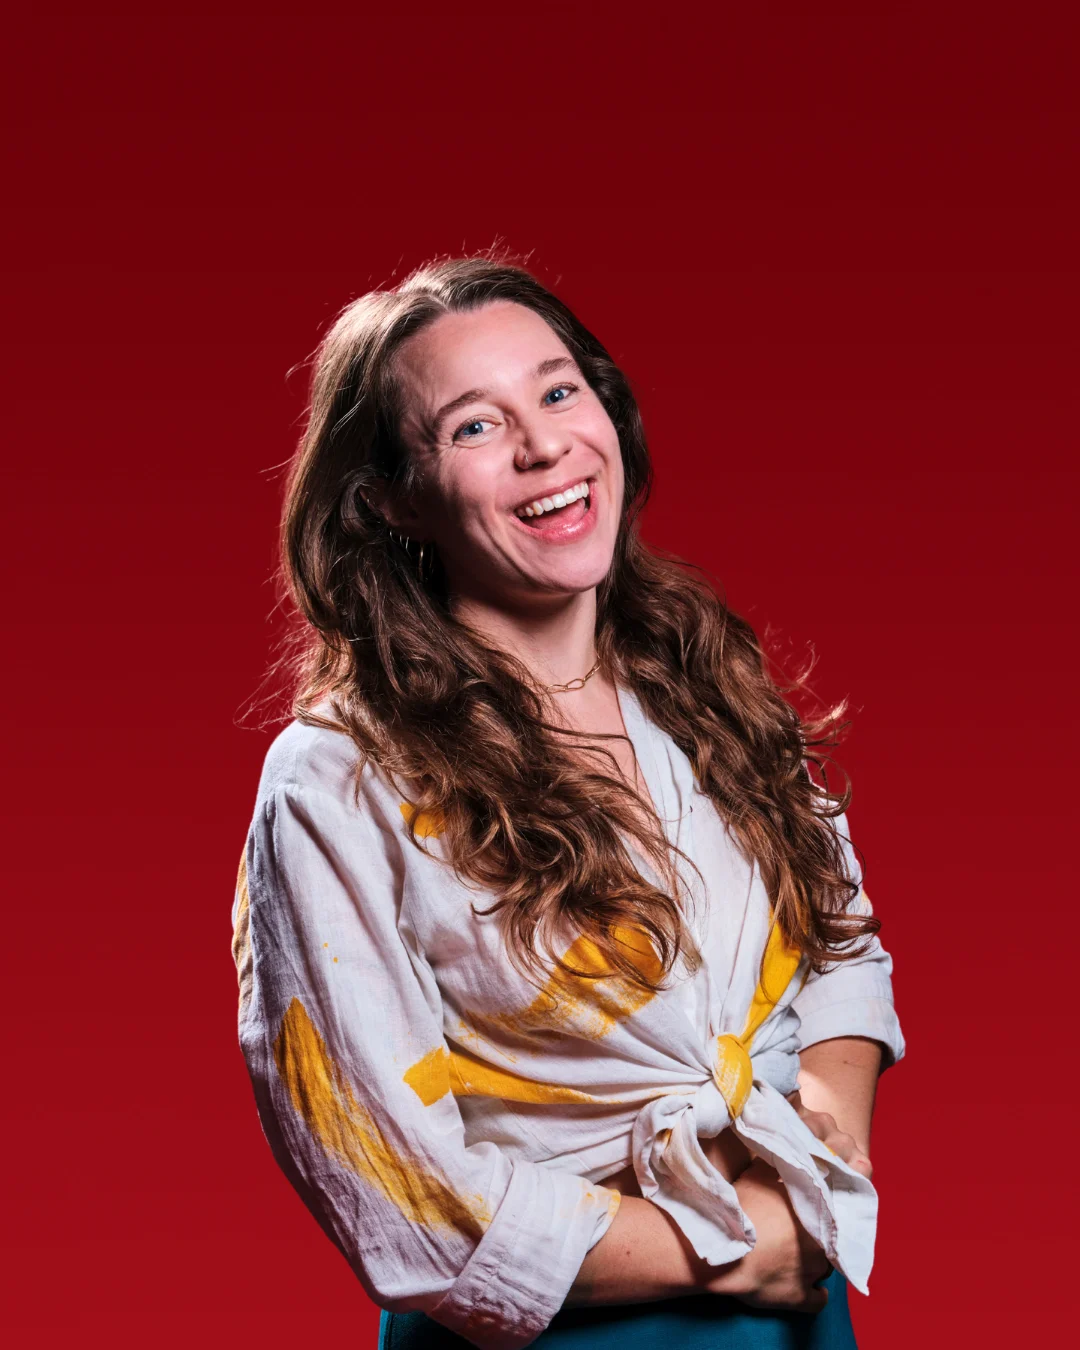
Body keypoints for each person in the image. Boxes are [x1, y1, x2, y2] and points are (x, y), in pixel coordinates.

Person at [231, 255, 904, 1350]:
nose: (545, 445)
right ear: (394, 499)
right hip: (568, 1331)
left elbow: (840, 938)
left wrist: (824, 1155)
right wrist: (737, 1249)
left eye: (557, 391)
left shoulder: (695, 671)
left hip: (794, 1308)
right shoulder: (339, 779)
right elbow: (403, 1195)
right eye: (474, 426)